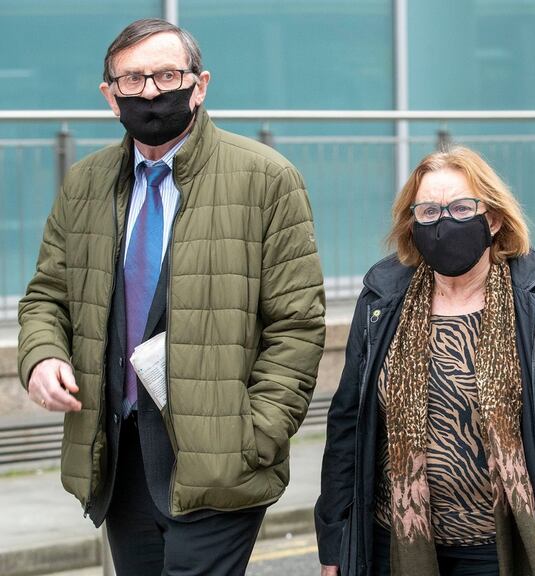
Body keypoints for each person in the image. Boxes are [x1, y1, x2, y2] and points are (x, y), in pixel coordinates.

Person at [18, 18, 326, 575]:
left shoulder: (266, 179)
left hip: (223, 457)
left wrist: (254, 434)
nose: (152, 92)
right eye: (132, 80)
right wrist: (41, 356)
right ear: (110, 97)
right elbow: (47, 296)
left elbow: (297, 326)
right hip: (118, 457)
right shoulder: (86, 184)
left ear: (199, 84)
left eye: (166, 74)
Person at [315, 146, 535, 576]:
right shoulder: (382, 301)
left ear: (493, 218)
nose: (444, 222)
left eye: (461, 208)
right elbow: (348, 423)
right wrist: (335, 541)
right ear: (412, 224)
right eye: (428, 211)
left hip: (501, 549)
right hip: (395, 545)